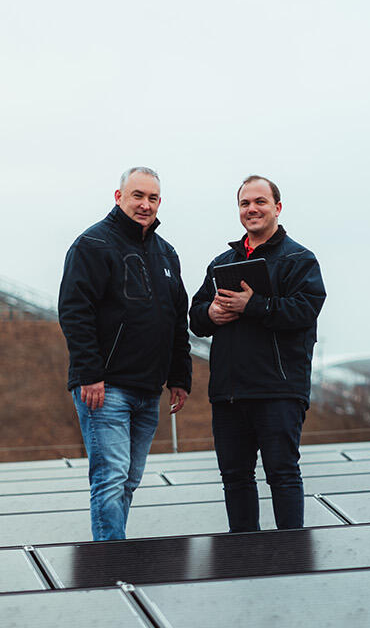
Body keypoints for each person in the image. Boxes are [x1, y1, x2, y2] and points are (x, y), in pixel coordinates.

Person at [58, 167, 191, 541]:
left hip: (148, 390)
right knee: (111, 477)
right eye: (137, 196)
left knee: (128, 480)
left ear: (159, 202)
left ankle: (115, 553)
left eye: (152, 198)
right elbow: (74, 311)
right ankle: (110, 563)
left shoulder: (167, 254)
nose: (145, 204)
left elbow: (175, 320)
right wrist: (89, 373)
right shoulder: (93, 244)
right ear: (119, 197)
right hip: (106, 388)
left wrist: (179, 377)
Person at [190, 175, 326, 532]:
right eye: (245, 203)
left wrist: (255, 306)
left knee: (282, 475)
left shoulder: (300, 259)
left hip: (279, 390)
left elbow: (304, 310)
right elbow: (196, 314)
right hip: (229, 392)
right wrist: (211, 314)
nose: (252, 209)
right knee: (235, 478)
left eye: (260, 202)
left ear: (277, 208)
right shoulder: (222, 262)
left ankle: (291, 557)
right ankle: (244, 558)